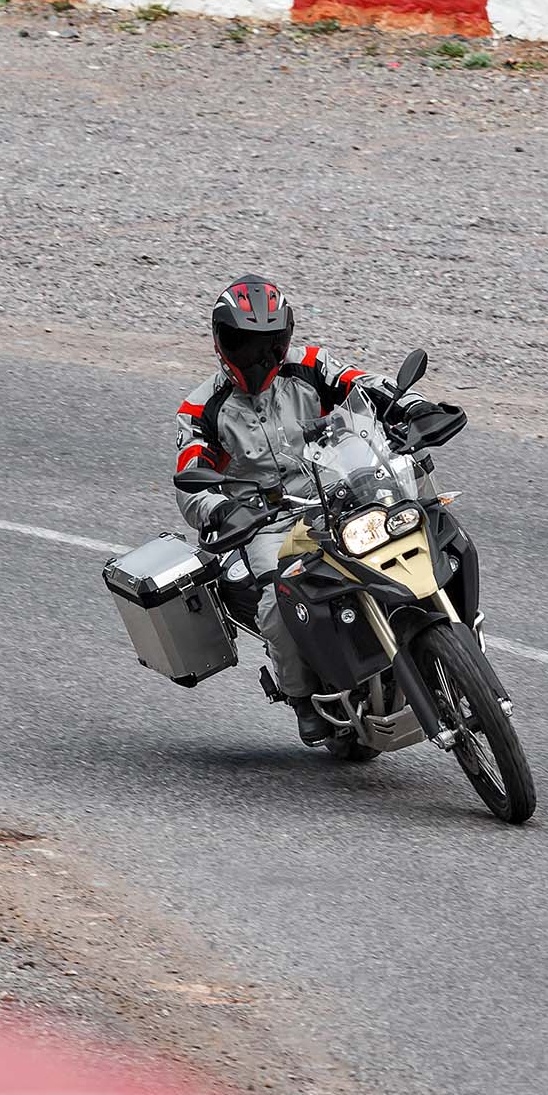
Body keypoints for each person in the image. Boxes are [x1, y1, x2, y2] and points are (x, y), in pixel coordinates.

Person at [171, 275, 446, 745]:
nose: (258, 357)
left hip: (339, 490)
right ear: (220, 342)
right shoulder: (201, 410)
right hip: (266, 522)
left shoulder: (311, 366)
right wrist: (220, 511)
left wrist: (413, 407)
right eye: (244, 344)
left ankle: (442, 640)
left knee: (419, 522)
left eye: (269, 345)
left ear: (285, 339)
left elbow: (363, 385)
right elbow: (190, 479)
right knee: (276, 600)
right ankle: (300, 695)